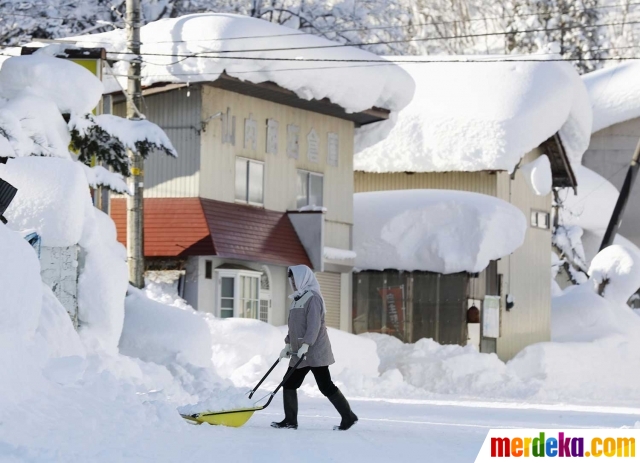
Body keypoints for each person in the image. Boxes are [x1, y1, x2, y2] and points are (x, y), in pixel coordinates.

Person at [271, 265, 358, 431]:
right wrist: (288, 343)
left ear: (303, 279)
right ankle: (290, 420)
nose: (293, 283)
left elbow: (314, 325)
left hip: (315, 350)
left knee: (325, 386)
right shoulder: (297, 299)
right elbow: (294, 326)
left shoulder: (313, 298)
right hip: (299, 353)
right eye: (291, 280)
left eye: (295, 279)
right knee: (288, 383)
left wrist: (306, 345)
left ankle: (349, 416)